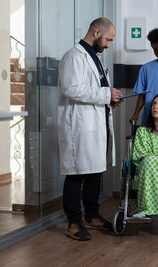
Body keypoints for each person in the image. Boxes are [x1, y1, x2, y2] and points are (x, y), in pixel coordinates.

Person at [58, 17, 122, 241]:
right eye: (108, 39)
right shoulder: (74, 57)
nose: (108, 44)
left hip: (96, 124)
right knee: (76, 174)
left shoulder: (95, 58)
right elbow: (71, 89)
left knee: (95, 171)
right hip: (79, 127)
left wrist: (109, 99)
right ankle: (74, 222)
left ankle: (91, 215)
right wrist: (105, 95)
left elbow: (96, 89)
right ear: (96, 32)